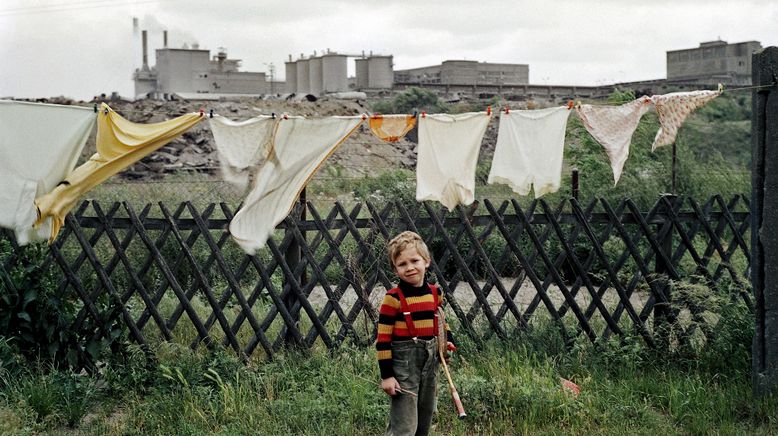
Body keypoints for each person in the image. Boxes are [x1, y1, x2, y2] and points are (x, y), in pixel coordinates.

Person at [376, 231, 456, 436]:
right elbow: (383, 340)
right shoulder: (393, 298)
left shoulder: (435, 293)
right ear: (395, 268)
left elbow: (440, 321)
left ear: (426, 261)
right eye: (402, 264)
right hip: (404, 367)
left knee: (424, 417)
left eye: (414, 261)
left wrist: (447, 341)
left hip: (430, 364)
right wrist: (387, 376)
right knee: (404, 424)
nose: (410, 267)